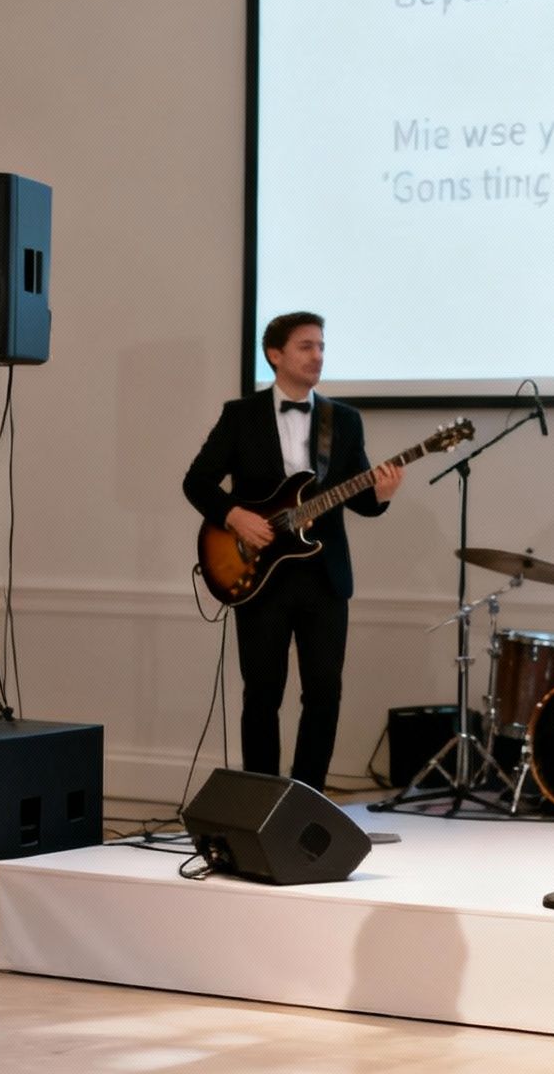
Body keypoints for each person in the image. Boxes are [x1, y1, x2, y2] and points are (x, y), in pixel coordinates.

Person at [183, 312, 403, 790]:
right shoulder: (240, 416)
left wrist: (381, 494)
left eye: (322, 346)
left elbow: (360, 498)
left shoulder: (342, 421)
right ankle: (261, 796)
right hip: (257, 573)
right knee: (262, 693)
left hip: (325, 577)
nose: (318, 355)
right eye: (306, 346)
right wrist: (234, 515)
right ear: (275, 354)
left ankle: (308, 795)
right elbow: (197, 481)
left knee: (324, 693)